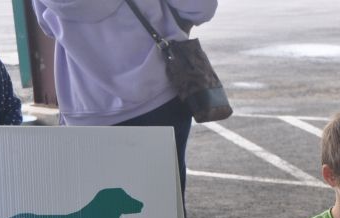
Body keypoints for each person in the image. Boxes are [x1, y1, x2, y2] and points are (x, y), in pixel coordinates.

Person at [31, 0, 218, 196]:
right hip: (157, 95)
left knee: (104, 205)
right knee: (165, 204)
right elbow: (201, 8)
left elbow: (47, 26)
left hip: (86, 107)